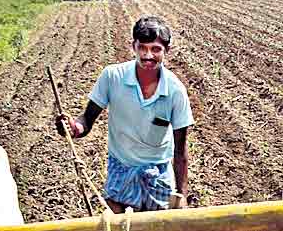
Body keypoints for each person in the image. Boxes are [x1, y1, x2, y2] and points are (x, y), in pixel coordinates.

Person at [58, 15, 193, 213]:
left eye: (156, 49)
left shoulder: (175, 91)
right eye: (142, 48)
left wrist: (181, 196)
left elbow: (180, 152)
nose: (148, 55)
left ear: (166, 51)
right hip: (120, 168)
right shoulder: (112, 77)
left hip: (157, 172)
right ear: (134, 47)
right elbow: (86, 120)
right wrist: (74, 128)